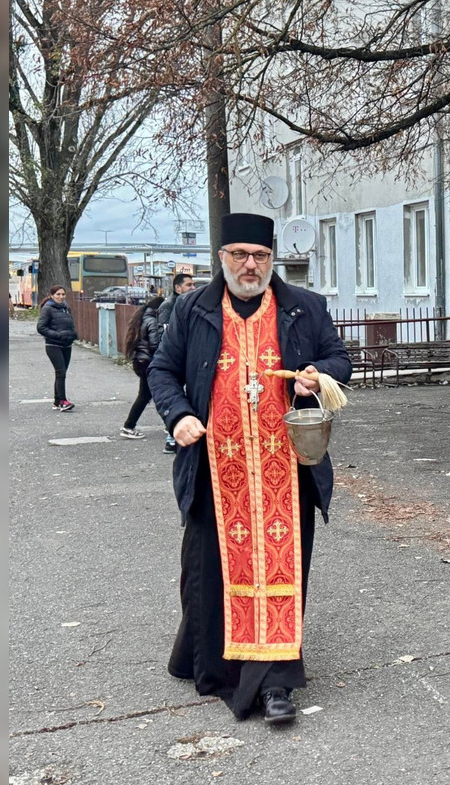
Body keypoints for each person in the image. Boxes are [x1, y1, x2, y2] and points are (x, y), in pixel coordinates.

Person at [149, 213, 353, 725]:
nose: (249, 264)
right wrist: (179, 416)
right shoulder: (194, 309)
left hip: (286, 468)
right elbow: (161, 370)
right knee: (209, 572)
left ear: (272, 259)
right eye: (239, 254)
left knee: (280, 572)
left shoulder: (304, 308)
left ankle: (275, 684)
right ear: (222, 258)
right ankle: (208, 659)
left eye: (260, 256)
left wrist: (317, 376)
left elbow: (339, 359)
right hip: (216, 467)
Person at [158, 273, 198, 453]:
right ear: (178, 288)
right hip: (174, 357)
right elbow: (164, 332)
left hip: (187, 358)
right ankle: (171, 438)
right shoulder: (168, 306)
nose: (192, 288)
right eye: (188, 285)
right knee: (176, 397)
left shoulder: (193, 305)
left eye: (193, 284)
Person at [119, 296, 164, 440]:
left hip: (141, 361)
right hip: (148, 362)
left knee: (152, 395)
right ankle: (128, 426)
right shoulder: (152, 320)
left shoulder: (143, 317)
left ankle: (171, 424)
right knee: (146, 396)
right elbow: (154, 344)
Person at [36, 285, 78, 411]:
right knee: (61, 372)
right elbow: (41, 327)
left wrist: (73, 334)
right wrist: (58, 335)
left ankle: (57, 401)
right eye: (58, 294)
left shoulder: (66, 308)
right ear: (52, 295)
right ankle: (62, 401)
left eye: (63, 294)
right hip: (53, 345)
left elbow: (69, 324)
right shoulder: (47, 309)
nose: (61, 297)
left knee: (62, 373)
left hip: (66, 344)